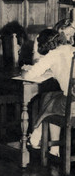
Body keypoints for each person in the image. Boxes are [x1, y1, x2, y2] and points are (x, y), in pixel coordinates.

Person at [21, 28, 75, 156]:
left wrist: (24, 70)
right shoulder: (70, 48)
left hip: (72, 105)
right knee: (50, 96)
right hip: (72, 99)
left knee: (49, 100)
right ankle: (51, 148)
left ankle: (35, 138)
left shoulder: (52, 55)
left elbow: (29, 75)